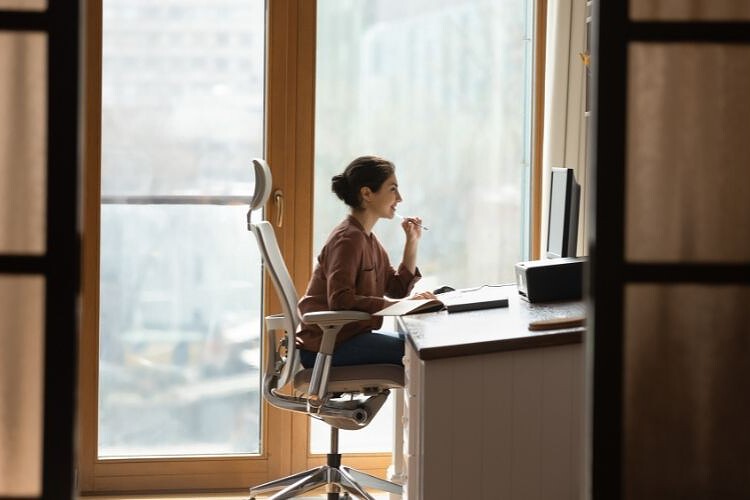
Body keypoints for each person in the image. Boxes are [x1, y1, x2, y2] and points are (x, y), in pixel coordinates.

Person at [296, 155, 435, 368]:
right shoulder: (348, 239)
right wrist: (402, 305)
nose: (400, 198)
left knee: (419, 344)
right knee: (418, 351)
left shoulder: (366, 238)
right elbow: (341, 301)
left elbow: (396, 289)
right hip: (326, 346)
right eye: (393, 189)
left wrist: (412, 242)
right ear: (367, 193)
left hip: (344, 341)